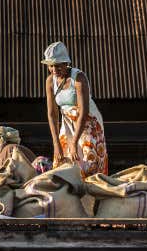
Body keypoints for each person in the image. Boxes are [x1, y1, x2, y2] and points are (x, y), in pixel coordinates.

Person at [42, 42, 107, 178]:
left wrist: (74, 141)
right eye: (51, 65)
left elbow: (83, 112)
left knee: (88, 161)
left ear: (66, 63)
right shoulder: (50, 82)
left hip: (87, 122)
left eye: (58, 65)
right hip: (67, 122)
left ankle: (93, 193)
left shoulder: (78, 78)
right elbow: (52, 114)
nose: (54, 69)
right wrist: (56, 143)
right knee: (62, 159)